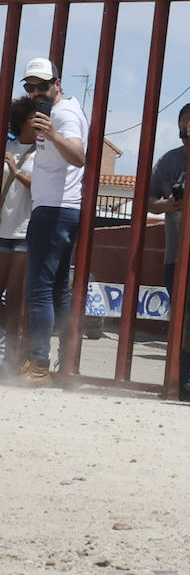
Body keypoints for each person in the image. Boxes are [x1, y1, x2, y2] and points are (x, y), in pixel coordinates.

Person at [16, 57, 88, 386]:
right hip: (58, 209)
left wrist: (54, 134)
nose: (35, 93)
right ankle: (65, 362)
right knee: (56, 290)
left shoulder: (63, 114)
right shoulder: (54, 110)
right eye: (29, 87)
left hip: (55, 210)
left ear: (57, 84)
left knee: (39, 289)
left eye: (42, 86)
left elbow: (79, 155)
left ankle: (40, 363)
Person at [148, 102, 190, 399]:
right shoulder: (170, 160)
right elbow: (149, 201)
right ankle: (180, 380)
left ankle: (189, 375)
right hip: (175, 255)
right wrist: (171, 205)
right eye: (188, 119)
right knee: (182, 318)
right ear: (180, 126)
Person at [1, 98, 39, 372]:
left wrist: (16, 171)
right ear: (22, 121)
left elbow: (41, 190)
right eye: (33, 118)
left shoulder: (44, 153)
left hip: (25, 231)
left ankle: (9, 358)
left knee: (14, 299)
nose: (38, 123)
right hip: (3, 227)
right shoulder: (7, 147)